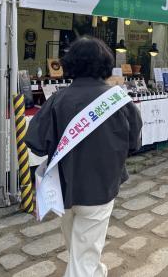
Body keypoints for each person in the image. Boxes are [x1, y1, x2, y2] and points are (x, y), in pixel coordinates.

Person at [25, 37, 142, 277]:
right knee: (84, 255)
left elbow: (35, 144)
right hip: (100, 188)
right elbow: (134, 144)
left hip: (63, 189)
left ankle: (96, 271)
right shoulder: (120, 101)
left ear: (70, 64)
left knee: (78, 249)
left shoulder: (57, 99)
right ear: (106, 64)